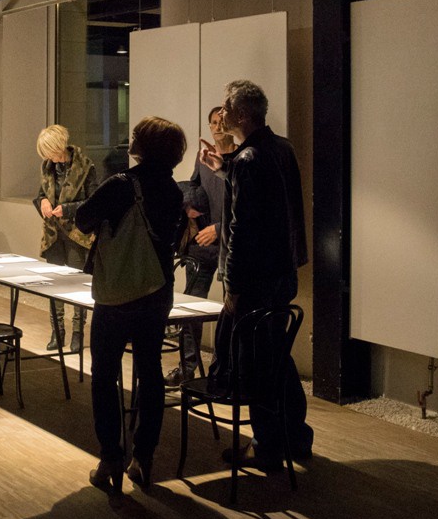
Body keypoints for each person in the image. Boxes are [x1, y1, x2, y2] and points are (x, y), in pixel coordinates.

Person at [75, 116, 186, 493]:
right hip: (158, 289)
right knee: (149, 370)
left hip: (118, 292)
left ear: (146, 146)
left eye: (136, 134)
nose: (130, 138)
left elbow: (82, 219)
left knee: (104, 373)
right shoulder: (173, 190)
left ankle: (110, 457)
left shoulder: (121, 184)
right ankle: (143, 456)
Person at [210, 80, 314, 468]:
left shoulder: (248, 159)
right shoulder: (280, 148)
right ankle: (295, 436)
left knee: (256, 364)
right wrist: (225, 169)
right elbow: (269, 201)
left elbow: (242, 228)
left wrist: (233, 285)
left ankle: (266, 444)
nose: (220, 113)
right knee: (277, 358)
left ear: (241, 114)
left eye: (225, 107)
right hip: (282, 271)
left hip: (254, 280)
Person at [168, 105, 235, 384]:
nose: (217, 127)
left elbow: (249, 206)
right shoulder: (204, 157)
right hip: (203, 245)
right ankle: (187, 367)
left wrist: (218, 229)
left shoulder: (241, 158)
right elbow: (192, 185)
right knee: (191, 307)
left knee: (231, 311)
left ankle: (223, 371)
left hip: (231, 245)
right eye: (213, 123)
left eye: (222, 122)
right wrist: (188, 206)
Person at [33, 124, 98, 354]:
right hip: (53, 234)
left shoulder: (85, 166)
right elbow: (41, 194)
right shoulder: (47, 167)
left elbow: (94, 202)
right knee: (54, 283)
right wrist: (42, 202)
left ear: (59, 146)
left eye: (50, 151)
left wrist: (67, 209)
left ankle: (78, 332)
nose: (49, 157)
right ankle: (57, 331)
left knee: (76, 284)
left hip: (77, 234)